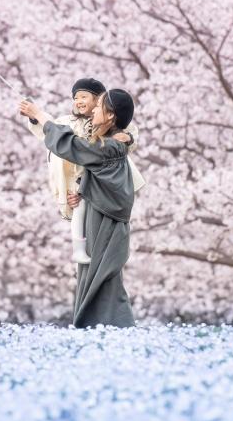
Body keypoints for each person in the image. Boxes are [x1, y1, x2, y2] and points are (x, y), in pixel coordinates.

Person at [19, 90, 137, 328]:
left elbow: (70, 144)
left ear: (112, 116)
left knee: (102, 279)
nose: (93, 109)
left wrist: (40, 115)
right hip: (98, 216)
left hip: (105, 222)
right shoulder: (111, 144)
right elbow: (102, 177)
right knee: (91, 275)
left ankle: (112, 331)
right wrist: (83, 192)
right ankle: (98, 332)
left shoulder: (109, 147)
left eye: (99, 105)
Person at [24, 78, 143, 265]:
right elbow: (52, 129)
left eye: (84, 96)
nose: (78, 101)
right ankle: (78, 250)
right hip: (80, 184)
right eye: (75, 97)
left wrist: (127, 137)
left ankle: (81, 252)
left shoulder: (106, 130)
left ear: (100, 102)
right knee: (80, 219)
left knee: (93, 239)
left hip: (97, 189)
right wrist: (35, 116)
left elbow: (129, 131)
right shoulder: (68, 121)